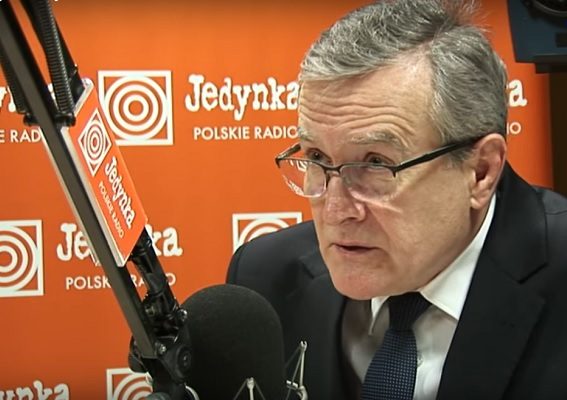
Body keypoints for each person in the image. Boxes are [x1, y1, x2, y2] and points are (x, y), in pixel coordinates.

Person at [227, 0, 567, 399]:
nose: (336, 210)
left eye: (375, 164)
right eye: (316, 157)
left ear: (480, 171)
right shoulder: (266, 278)